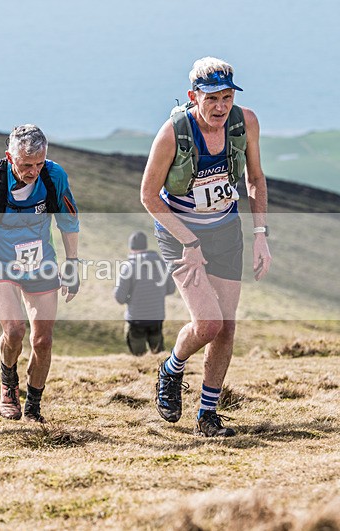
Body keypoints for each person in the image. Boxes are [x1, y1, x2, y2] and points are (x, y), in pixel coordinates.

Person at [140, 57, 272, 437]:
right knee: (208, 323)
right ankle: (172, 369)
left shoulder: (244, 122)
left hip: (226, 230)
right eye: (212, 98)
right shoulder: (172, 133)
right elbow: (149, 197)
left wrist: (261, 234)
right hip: (180, 233)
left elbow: (255, 178)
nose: (220, 107)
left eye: (227, 97)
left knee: (226, 327)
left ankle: (208, 415)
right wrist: (190, 241)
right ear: (193, 96)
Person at [0, 124, 80, 423]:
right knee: (14, 331)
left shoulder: (54, 177)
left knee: (43, 340)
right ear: (10, 156)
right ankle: (8, 383)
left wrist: (73, 264)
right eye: (27, 165)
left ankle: (34, 405)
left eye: (39, 163)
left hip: (41, 263)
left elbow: (68, 223)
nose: (33, 171)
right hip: (0, 260)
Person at [114, 231, 176, 356]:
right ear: (145, 246)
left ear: (131, 247)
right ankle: (162, 374)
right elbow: (171, 289)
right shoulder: (162, 264)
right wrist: (156, 294)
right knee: (158, 355)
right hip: (157, 317)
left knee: (139, 357)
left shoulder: (129, 267)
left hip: (136, 319)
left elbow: (119, 297)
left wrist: (130, 298)